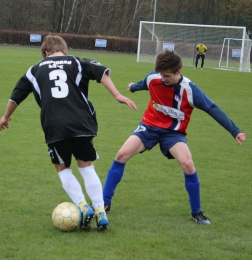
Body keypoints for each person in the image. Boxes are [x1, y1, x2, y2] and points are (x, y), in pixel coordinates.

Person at [0, 35, 137, 231]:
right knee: (86, 166)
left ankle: (82, 205)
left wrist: (6, 117)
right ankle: (100, 211)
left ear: (46, 53)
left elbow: (16, 96)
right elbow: (101, 73)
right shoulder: (76, 61)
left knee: (62, 168)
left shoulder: (34, 69)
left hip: (55, 125)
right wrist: (117, 95)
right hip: (82, 122)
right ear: (64, 50)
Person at [102, 49, 246, 225]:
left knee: (187, 163)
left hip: (173, 133)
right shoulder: (154, 78)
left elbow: (212, 109)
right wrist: (132, 87)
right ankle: (104, 203)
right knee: (121, 154)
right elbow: (142, 84)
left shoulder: (190, 90)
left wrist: (235, 131)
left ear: (178, 71)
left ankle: (197, 213)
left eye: (167, 76)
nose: (163, 79)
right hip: (149, 126)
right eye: (161, 75)